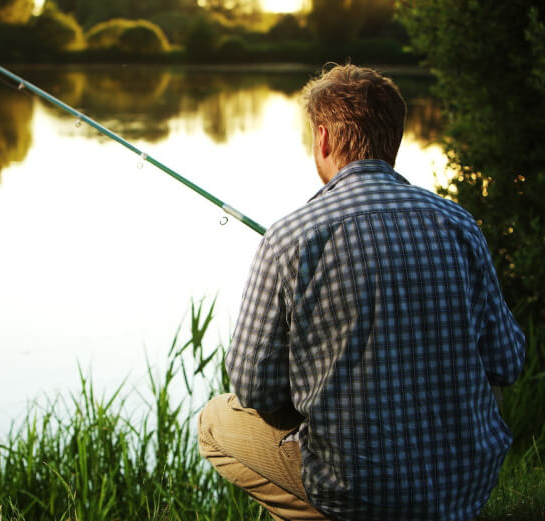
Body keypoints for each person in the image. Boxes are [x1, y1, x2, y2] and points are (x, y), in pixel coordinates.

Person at [198, 64, 526, 521]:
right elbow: (508, 360)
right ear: (393, 140)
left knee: (215, 422)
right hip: (465, 488)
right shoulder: (459, 224)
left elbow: (253, 387)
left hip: (356, 492)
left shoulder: (290, 237)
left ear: (325, 138)